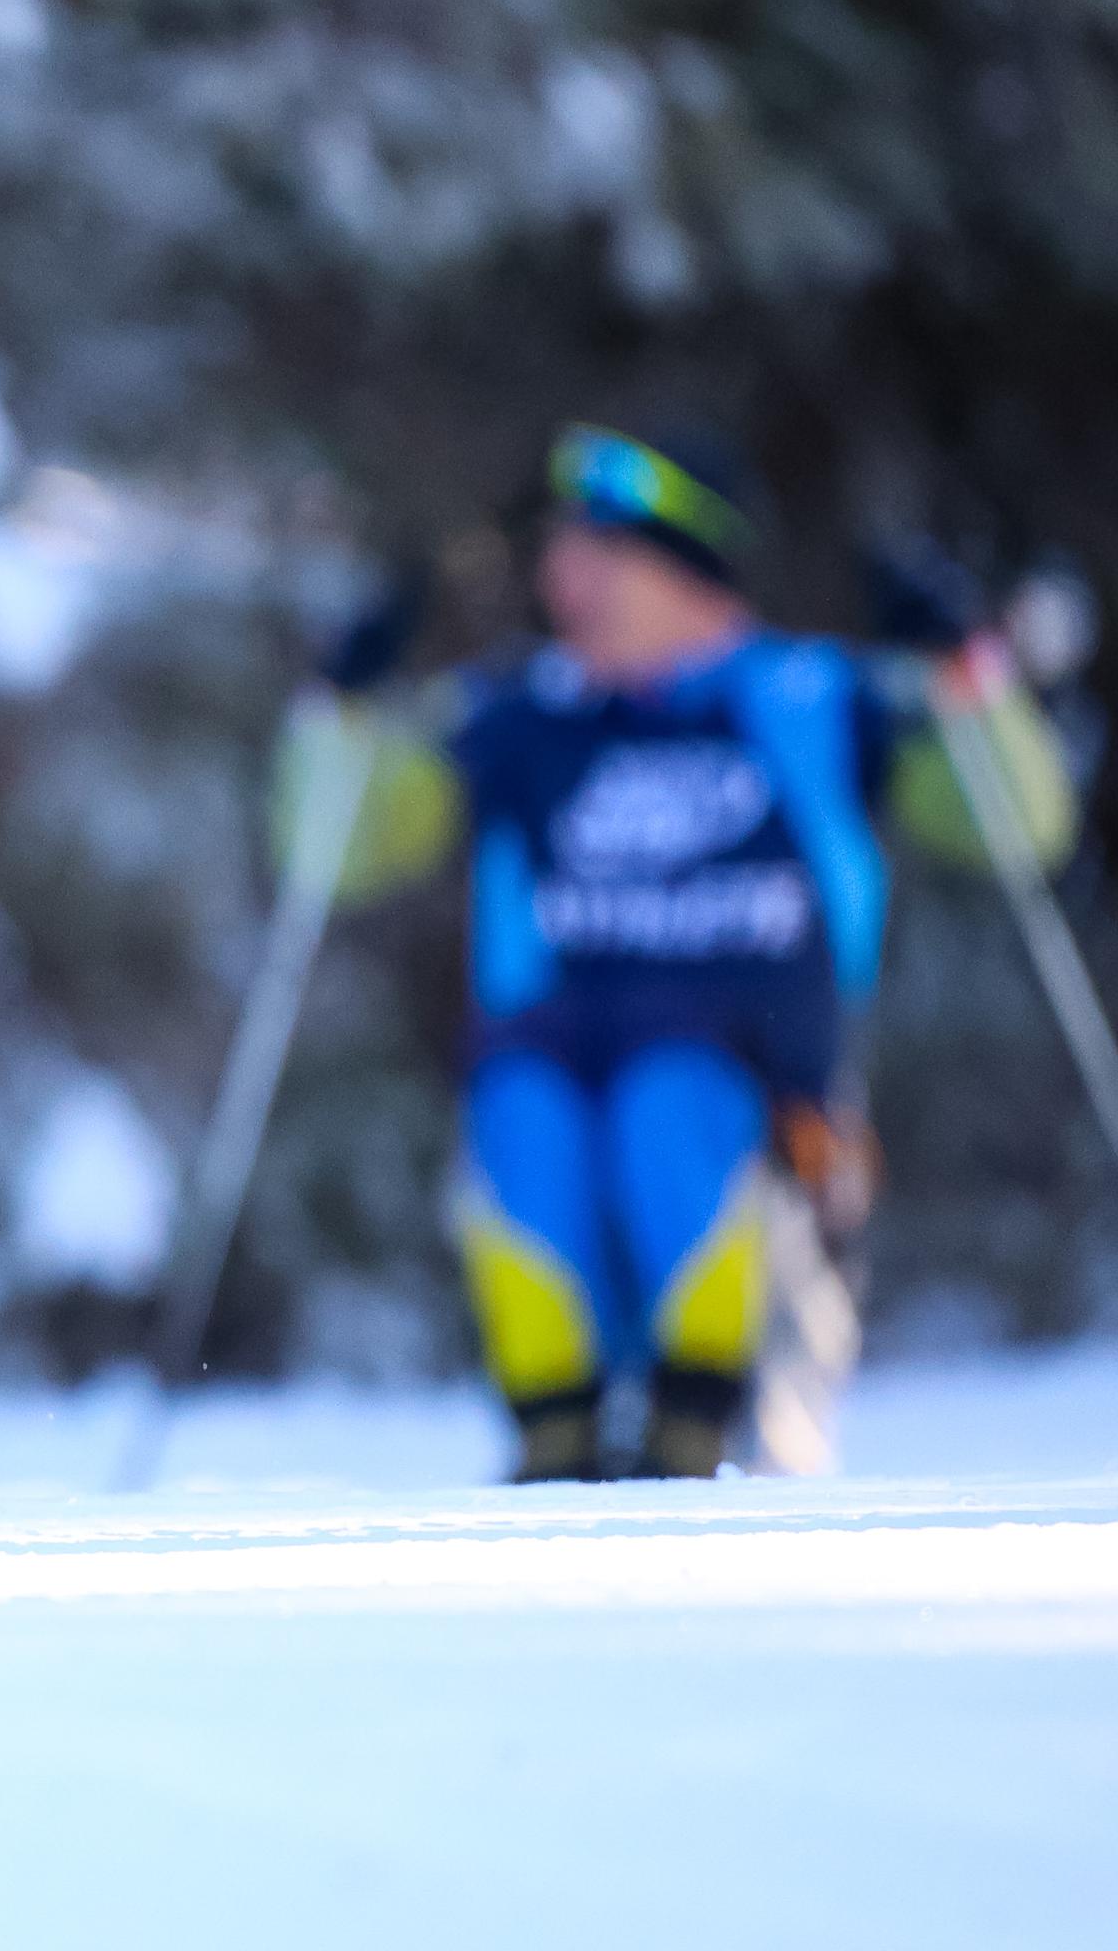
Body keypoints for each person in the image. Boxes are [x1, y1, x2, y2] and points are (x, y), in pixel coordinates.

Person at [314, 424, 1074, 1481]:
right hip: (553, 1124)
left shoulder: (812, 700)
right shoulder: (517, 714)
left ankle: (709, 1429)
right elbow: (333, 852)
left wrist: (965, 670)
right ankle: (557, 1441)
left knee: (669, 1094)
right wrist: (341, 705)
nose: (560, 578)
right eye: (558, 551)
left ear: (685, 563)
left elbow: (1016, 825)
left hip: (763, 1149)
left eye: (597, 551)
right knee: (522, 1100)